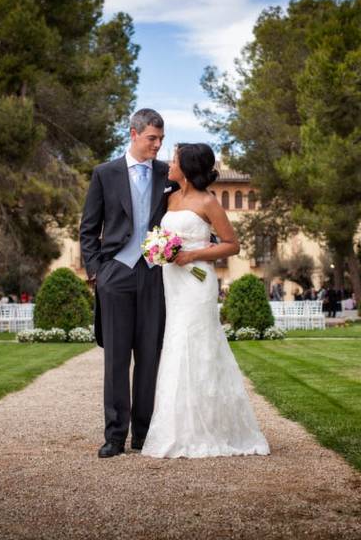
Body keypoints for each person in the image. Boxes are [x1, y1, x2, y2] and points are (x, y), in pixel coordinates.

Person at [142, 143, 269, 458]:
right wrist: (160, 249)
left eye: (173, 160)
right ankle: (176, 427)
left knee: (196, 343)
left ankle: (208, 427)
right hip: (172, 280)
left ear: (185, 168)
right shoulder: (169, 198)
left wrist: (193, 254)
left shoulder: (209, 202)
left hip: (197, 280)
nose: (169, 164)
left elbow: (232, 245)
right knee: (175, 343)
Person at [79, 108, 176, 459]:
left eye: (161, 139)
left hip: (154, 274)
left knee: (149, 357)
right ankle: (115, 436)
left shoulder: (168, 174)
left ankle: (145, 434)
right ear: (133, 134)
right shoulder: (105, 174)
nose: (158, 145)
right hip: (116, 274)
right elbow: (89, 228)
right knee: (117, 360)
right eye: (152, 138)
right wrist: (97, 273)